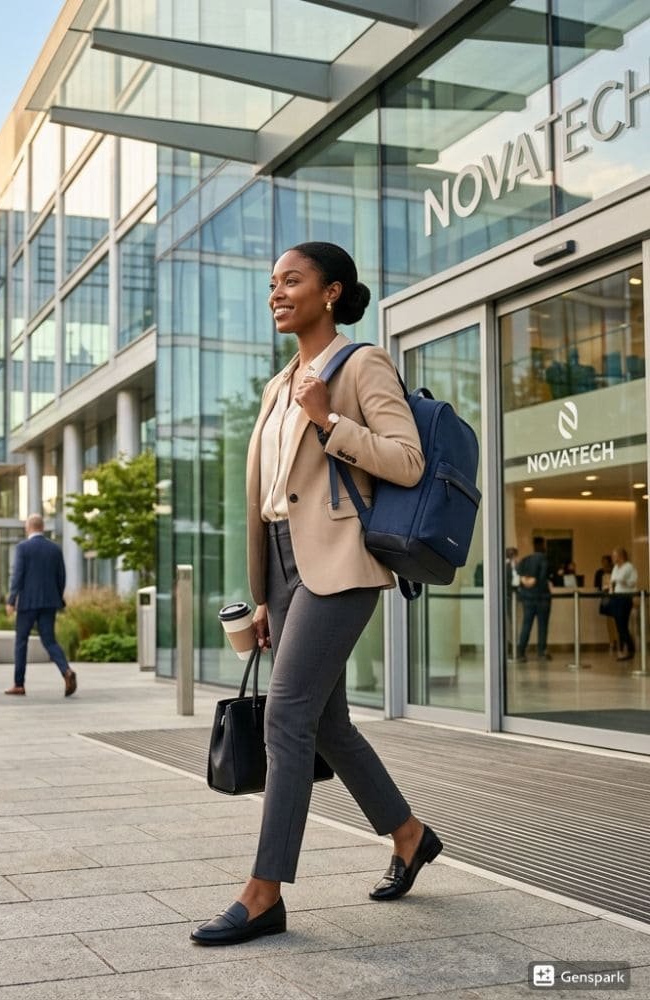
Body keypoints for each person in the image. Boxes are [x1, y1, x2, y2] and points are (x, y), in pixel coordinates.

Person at [191, 241, 436, 947]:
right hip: (285, 564)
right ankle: (409, 834)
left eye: (291, 281)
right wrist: (263, 594)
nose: (277, 293)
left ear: (331, 292)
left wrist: (330, 420)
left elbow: (409, 462)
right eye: (272, 283)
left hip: (340, 563)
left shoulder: (361, 365)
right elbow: (272, 498)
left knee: (288, 717)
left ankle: (264, 893)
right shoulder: (278, 384)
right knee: (327, 724)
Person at [5, 513, 76, 697]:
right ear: (42, 528)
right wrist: (58, 597)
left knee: (21, 641)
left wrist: (12, 600)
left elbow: (17, 575)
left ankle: (19, 684)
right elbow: (61, 577)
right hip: (49, 602)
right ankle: (66, 671)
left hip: (28, 603)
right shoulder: (55, 549)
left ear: (28, 527)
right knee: (49, 640)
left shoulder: (23, 548)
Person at [515, 537, 552, 662]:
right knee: (542, 626)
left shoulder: (526, 559)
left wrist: (525, 581)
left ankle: (521, 652)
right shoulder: (544, 559)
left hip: (528, 597)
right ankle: (541, 652)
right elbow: (543, 578)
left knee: (526, 625)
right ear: (543, 545)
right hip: (542, 598)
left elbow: (518, 572)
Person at [609, 546, 638, 662]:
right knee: (619, 624)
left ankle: (630, 648)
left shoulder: (629, 567)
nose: (612, 558)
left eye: (614, 555)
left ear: (621, 556)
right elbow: (612, 580)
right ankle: (622, 650)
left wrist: (620, 581)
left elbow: (631, 582)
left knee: (622, 624)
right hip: (616, 597)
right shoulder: (615, 567)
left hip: (625, 597)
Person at [594, 555, 619, 652]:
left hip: (614, 597)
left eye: (605, 561)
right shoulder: (599, 572)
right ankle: (611, 641)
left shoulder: (615, 571)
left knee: (616, 620)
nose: (604, 563)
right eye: (602, 561)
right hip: (605, 597)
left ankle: (618, 640)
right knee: (609, 621)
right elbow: (596, 585)